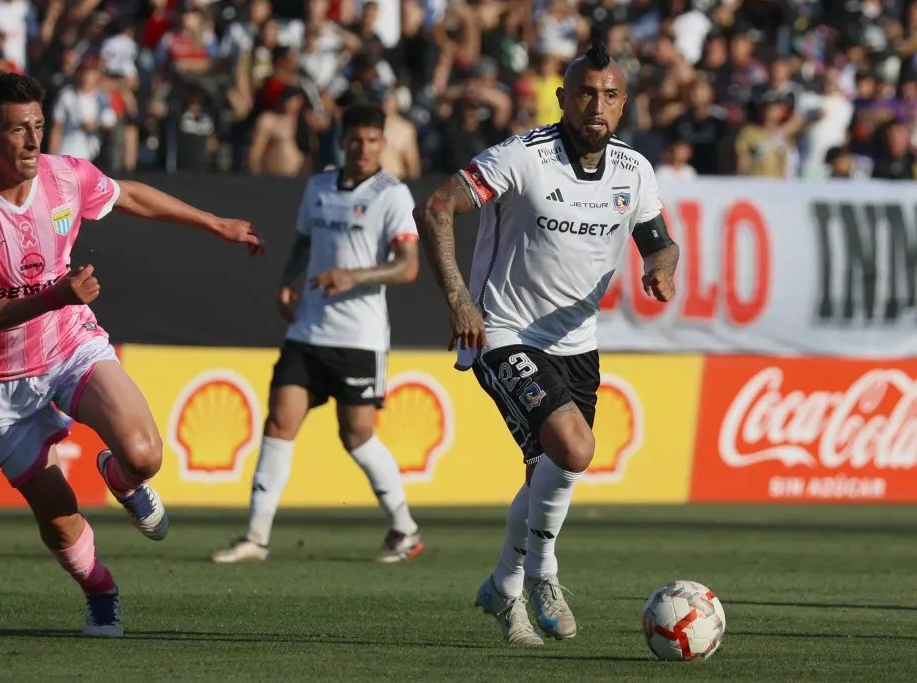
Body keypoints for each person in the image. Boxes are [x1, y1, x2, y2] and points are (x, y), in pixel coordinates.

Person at [0, 72, 263, 638]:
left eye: (38, 126)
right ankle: (100, 590)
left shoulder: (65, 177)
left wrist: (213, 223)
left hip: (69, 343)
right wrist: (58, 291)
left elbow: (126, 193)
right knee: (58, 521)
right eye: (17, 130)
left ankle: (122, 478)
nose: (33, 141)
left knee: (145, 453)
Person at [413, 42, 680, 645]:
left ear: (624, 103)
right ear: (562, 97)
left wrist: (663, 266)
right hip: (503, 332)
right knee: (574, 447)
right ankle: (542, 574)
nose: (597, 105)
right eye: (586, 92)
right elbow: (436, 208)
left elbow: (661, 241)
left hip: (576, 344)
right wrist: (459, 299)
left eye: (610, 95)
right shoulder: (523, 157)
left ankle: (503, 588)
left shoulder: (634, 171)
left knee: (548, 469)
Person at [211, 102, 425, 565]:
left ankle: (404, 528)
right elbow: (305, 242)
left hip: (360, 338)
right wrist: (288, 283)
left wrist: (355, 275)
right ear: (342, 141)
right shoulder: (319, 186)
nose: (364, 148)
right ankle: (256, 536)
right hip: (309, 330)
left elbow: (408, 268)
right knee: (279, 423)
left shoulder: (393, 194)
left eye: (373, 141)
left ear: (383, 144)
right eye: (356, 139)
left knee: (357, 436)